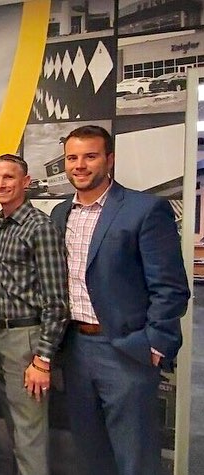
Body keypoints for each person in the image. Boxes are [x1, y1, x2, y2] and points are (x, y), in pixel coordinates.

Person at [50, 125, 190, 475]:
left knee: (135, 458)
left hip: (125, 351)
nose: (80, 165)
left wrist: (154, 344)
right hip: (75, 349)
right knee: (89, 453)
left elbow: (170, 287)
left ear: (109, 159)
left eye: (90, 156)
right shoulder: (60, 214)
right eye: (72, 158)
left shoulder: (144, 209)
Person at [0, 154, 69, 475]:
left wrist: (42, 359)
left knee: (29, 435)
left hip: (26, 340)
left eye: (8, 177)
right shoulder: (1, 225)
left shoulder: (39, 228)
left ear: (25, 182)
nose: (0, 184)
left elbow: (57, 301)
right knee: (14, 429)